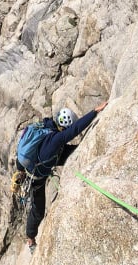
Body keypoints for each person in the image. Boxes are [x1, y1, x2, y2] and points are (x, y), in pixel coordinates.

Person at [15, 100, 108, 252]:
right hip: (37, 177)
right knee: (38, 212)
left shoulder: (45, 125)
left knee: (76, 150)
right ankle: (30, 239)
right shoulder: (56, 139)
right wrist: (94, 111)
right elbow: (74, 131)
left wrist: (19, 170)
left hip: (37, 164)